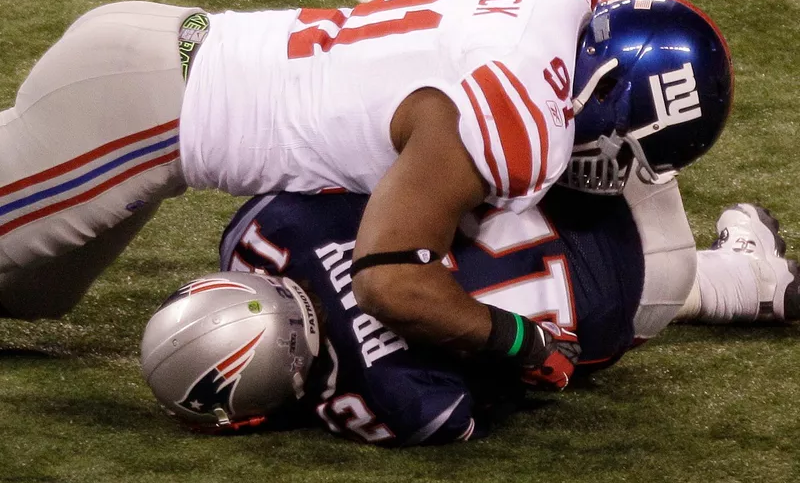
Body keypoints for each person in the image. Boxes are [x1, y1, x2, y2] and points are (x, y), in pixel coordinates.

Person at [0, 0, 733, 389]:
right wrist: (520, 344)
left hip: (159, 66)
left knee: (36, 296)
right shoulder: (514, 124)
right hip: (132, 112)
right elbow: (390, 280)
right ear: (599, 98)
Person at [140, 177, 798, 446]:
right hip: (577, 189)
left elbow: (466, 409)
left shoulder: (386, 401)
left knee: (557, 331)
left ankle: (750, 280)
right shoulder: (270, 231)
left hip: (629, 300)